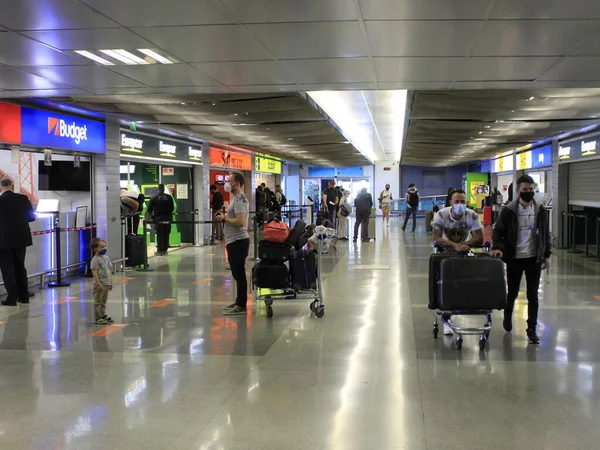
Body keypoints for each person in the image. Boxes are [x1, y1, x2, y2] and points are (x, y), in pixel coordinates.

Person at [490, 175, 552, 345]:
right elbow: (498, 231)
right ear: (518, 191)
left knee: (533, 295)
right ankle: (507, 315)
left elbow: (545, 233)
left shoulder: (540, 209)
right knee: (513, 292)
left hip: (534, 258)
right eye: (525, 190)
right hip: (514, 258)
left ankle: (531, 329)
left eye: (531, 190)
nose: (528, 192)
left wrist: (547, 254)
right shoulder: (509, 210)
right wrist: (498, 247)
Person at [433, 189, 484, 335]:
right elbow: (437, 238)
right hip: (444, 252)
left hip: (463, 250)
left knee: (462, 282)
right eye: (457, 202)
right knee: (445, 283)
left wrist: (464, 245)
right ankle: (447, 317)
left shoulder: (472, 215)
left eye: (463, 201)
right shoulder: (441, 215)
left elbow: (479, 238)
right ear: (451, 203)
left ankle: (460, 308)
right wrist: (455, 245)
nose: (460, 204)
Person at [216, 171, 250, 316]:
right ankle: (238, 301)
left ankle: (241, 305)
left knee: (239, 274)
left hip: (238, 241)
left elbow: (240, 222)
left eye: (230, 180)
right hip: (234, 241)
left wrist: (224, 219)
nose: (227, 183)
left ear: (237, 183)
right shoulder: (238, 198)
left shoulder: (239, 199)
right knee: (237, 274)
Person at [0, 178, 35, 306]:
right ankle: (24, 296)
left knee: (7, 269)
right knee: (20, 267)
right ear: (12, 186)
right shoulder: (23, 198)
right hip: (21, 239)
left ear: (1, 187)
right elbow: (31, 217)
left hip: (3, 240)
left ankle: (11, 298)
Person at [90, 238, 113, 325]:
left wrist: (110, 282)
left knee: (103, 301)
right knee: (98, 301)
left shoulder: (106, 258)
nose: (104, 248)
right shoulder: (95, 260)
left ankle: (102, 315)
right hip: (99, 284)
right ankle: (97, 317)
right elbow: (94, 273)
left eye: (105, 246)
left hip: (106, 283)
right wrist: (98, 284)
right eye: (102, 247)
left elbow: (109, 270)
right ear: (96, 249)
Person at [147, 184, 175, 256]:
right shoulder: (169, 197)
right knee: (166, 233)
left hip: (158, 219)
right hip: (167, 218)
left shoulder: (154, 198)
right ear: (164, 189)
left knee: (159, 234)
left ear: (158, 189)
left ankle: (160, 250)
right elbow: (172, 208)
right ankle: (165, 249)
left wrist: (147, 219)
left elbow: (149, 210)